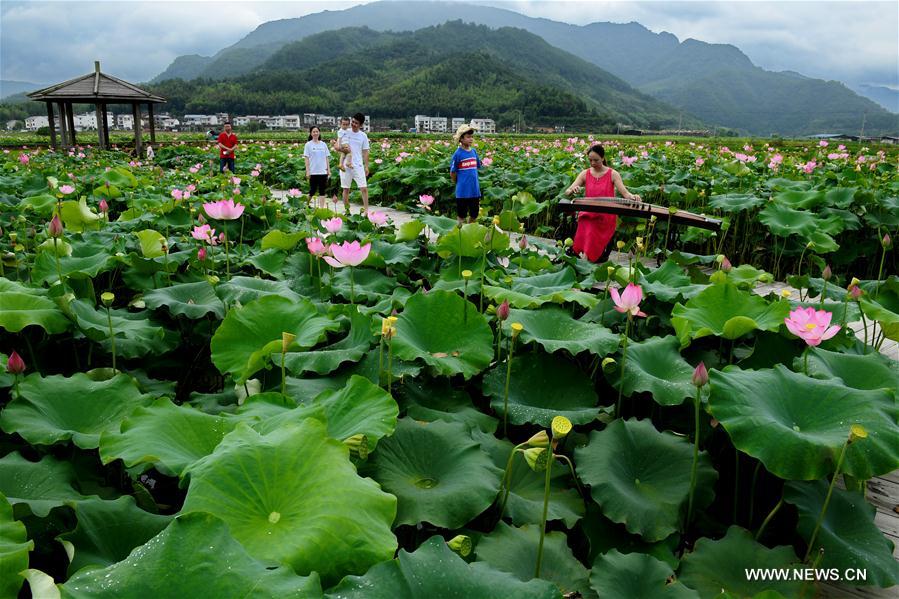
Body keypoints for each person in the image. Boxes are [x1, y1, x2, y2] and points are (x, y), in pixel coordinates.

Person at [564, 144, 641, 262]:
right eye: (590, 160)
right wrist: (572, 190)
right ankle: (584, 257)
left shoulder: (613, 174)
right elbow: (568, 191)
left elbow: (626, 194)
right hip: (588, 213)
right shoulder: (585, 173)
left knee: (592, 226)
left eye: (596, 160)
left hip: (606, 215)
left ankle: (585, 259)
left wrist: (634, 197)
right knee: (586, 222)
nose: (593, 163)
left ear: (603, 158)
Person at [450, 123, 482, 223]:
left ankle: (469, 232)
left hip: (474, 190)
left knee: (474, 214)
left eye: (472, 137)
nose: (471, 139)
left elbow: (477, 165)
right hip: (462, 191)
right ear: (461, 139)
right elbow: (453, 172)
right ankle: (460, 234)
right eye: (468, 137)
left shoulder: (474, 152)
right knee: (461, 215)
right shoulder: (458, 154)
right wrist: (458, 182)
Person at [339, 113, 371, 212]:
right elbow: (338, 146)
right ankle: (347, 210)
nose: (353, 124)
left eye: (356, 123)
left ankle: (366, 211)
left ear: (361, 125)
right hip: (346, 165)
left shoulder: (363, 136)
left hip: (358, 165)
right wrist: (342, 149)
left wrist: (366, 166)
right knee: (346, 189)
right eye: (352, 122)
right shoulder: (345, 132)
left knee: (364, 188)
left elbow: (365, 152)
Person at [303, 126, 331, 206]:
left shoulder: (323, 144)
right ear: (311, 133)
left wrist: (328, 170)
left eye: (317, 131)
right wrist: (308, 171)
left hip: (323, 171)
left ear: (319, 133)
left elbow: (326, 158)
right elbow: (306, 158)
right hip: (313, 171)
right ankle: (306, 205)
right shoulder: (308, 145)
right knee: (312, 190)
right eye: (313, 132)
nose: (315, 133)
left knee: (322, 191)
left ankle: (321, 209)